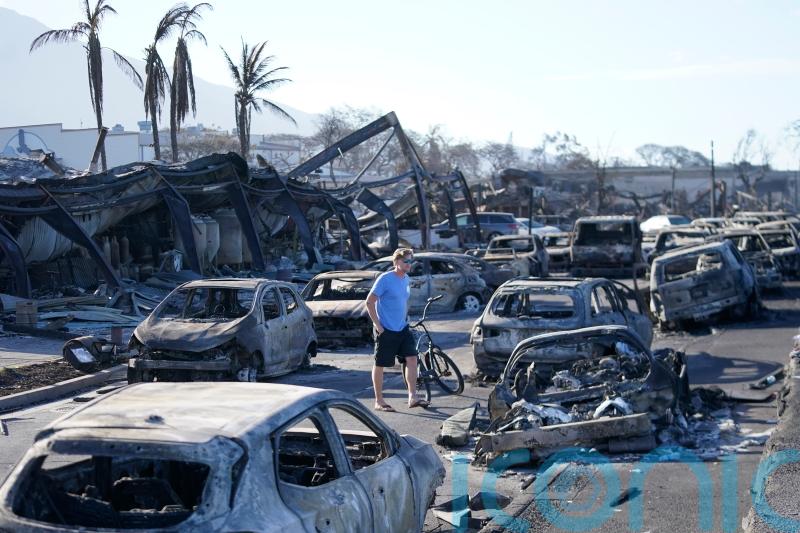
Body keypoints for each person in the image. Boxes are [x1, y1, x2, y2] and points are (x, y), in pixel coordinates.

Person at [366, 248, 429, 411]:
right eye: (405, 261)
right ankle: (379, 401)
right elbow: (369, 302)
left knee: (412, 358)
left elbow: (403, 301)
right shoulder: (385, 279)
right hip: (386, 329)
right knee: (380, 364)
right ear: (396, 262)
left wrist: (406, 318)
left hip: (402, 327)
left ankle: (412, 397)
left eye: (410, 261)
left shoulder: (406, 279)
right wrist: (378, 325)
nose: (408, 264)